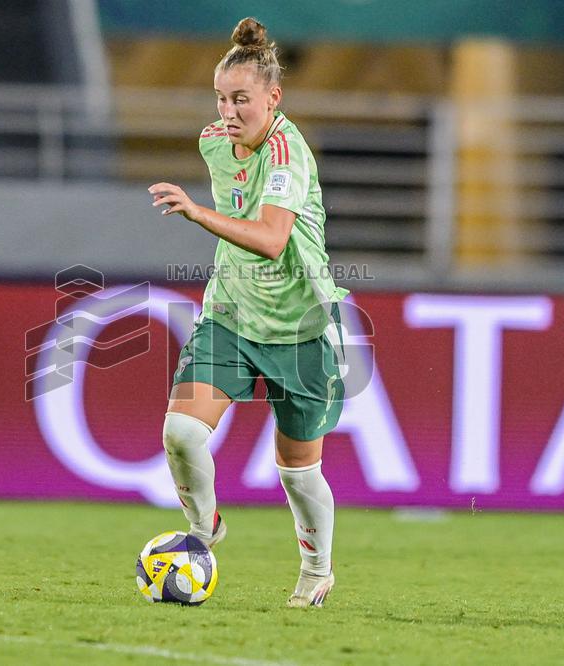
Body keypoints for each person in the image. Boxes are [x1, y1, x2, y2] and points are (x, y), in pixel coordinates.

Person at [148, 16, 348, 608]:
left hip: (301, 328)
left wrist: (194, 213)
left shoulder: (288, 152)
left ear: (273, 97)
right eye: (221, 98)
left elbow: (270, 239)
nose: (229, 111)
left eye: (242, 99)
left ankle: (316, 570)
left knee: (296, 471)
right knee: (181, 432)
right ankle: (205, 528)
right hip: (232, 314)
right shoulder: (214, 142)